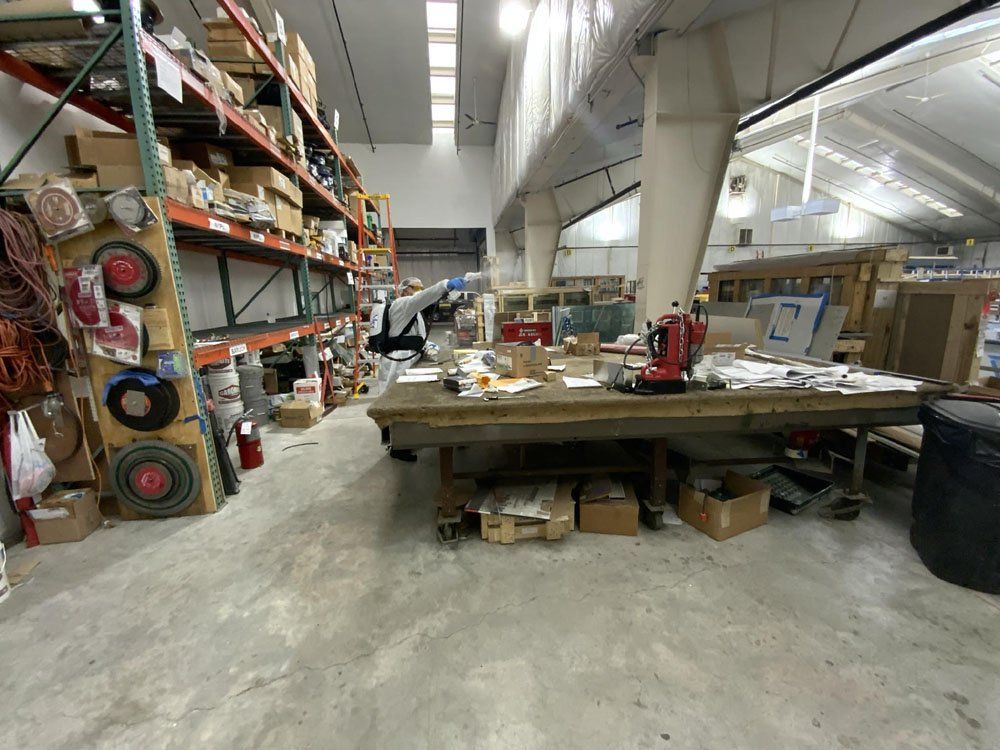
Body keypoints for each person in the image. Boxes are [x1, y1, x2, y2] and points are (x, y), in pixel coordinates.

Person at [378, 275, 467, 461]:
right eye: (416, 287)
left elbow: (416, 335)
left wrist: (428, 346)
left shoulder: (413, 310)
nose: (420, 290)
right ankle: (397, 447)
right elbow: (423, 297)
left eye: (421, 287)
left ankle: (407, 439)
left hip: (409, 357)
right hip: (399, 361)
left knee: (407, 401)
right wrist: (445, 285)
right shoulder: (403, 303)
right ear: (405, 290)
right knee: (398, 402)